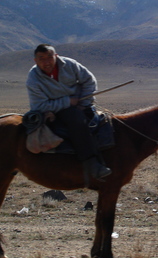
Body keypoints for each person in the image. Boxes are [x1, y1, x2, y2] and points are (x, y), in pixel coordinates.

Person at [26, 44, 112, 181]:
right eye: (41, 58)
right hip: (55, 109)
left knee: (103, 122)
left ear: (56, 56)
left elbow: (89, 81)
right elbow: (39, 105)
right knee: (76, 120)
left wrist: (83, 104)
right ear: (35, 60)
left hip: (81, 102)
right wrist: (68, 102)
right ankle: (91, 163)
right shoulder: (33, 78)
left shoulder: (70, 64)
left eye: (49, 57)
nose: (46, 62)